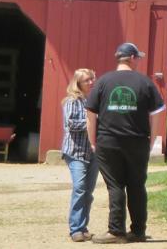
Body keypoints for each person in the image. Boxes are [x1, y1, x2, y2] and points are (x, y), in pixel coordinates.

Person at [86, 42, 165, 244]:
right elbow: (156, 114)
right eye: (137, 58)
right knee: (137, 186)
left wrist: (92, 142)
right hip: (137, 141)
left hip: (108, 141)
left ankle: (116, 232)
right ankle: (138, 231)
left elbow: (91, 114)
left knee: (115, 185)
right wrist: (151, 140)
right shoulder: (145, 83)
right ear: (131, 58)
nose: (138, 61)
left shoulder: (103, 82)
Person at [62, 68, 99, 243]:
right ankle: (75, 229)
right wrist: (92, 120)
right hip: (76, 152)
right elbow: (71, 124)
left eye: (92, 79)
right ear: (78, 83)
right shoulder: (72, 101)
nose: (91, 83)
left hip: (92, 152)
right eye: (87, 80)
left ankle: (83, 228)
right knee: (79, 188)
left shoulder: (94, 100)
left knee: (88, 192)